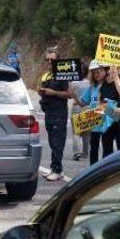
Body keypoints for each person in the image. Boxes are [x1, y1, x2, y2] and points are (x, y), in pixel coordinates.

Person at [38, 49, 71, 181]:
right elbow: (44, 92)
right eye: (47, 60)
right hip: (48, 112)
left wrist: (54, 93)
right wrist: (41, 92)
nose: (50, 62)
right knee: (52, 142)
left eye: (52, 60)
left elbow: (69, 94)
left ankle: (56, 169)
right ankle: (57, 169)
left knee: (58, 142)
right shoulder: (46, 76)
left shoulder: (63, 75)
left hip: (59, 113)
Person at [77, 60, 113, 165]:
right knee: (93, 149)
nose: (96, 74)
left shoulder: (112, 86)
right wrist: (72, 93)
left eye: (99, 71)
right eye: (94, 72)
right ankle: (93, 171)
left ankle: (107, 171)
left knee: (107, 149)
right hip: (94, 123)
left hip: (108, 123)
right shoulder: (92, 87)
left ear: (106, 71)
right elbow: (83, 103)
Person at [69, 64, 90, 161]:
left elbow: (69, 96)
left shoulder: (73, 83)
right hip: (87, 107)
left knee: (76, 132)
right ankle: (85, 153)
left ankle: (77, 153)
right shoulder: (90, 83)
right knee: (86, 132)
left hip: (76, 107)